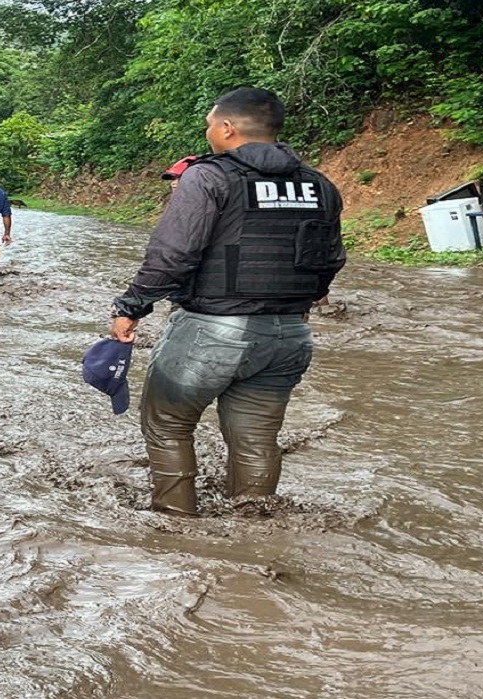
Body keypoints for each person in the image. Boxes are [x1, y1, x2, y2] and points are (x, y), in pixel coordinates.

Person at [108, 87, 346, 516]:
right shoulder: (320, 185)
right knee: (256, 439)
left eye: (209, 126)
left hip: (212, 329)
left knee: (167, 425)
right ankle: (253, 530)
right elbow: (330, 262)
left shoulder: (208, 176)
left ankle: (176, 526)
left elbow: (172, 254)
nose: (208, 134)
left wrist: (132, 306)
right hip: (291, 335)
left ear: (227, 127)